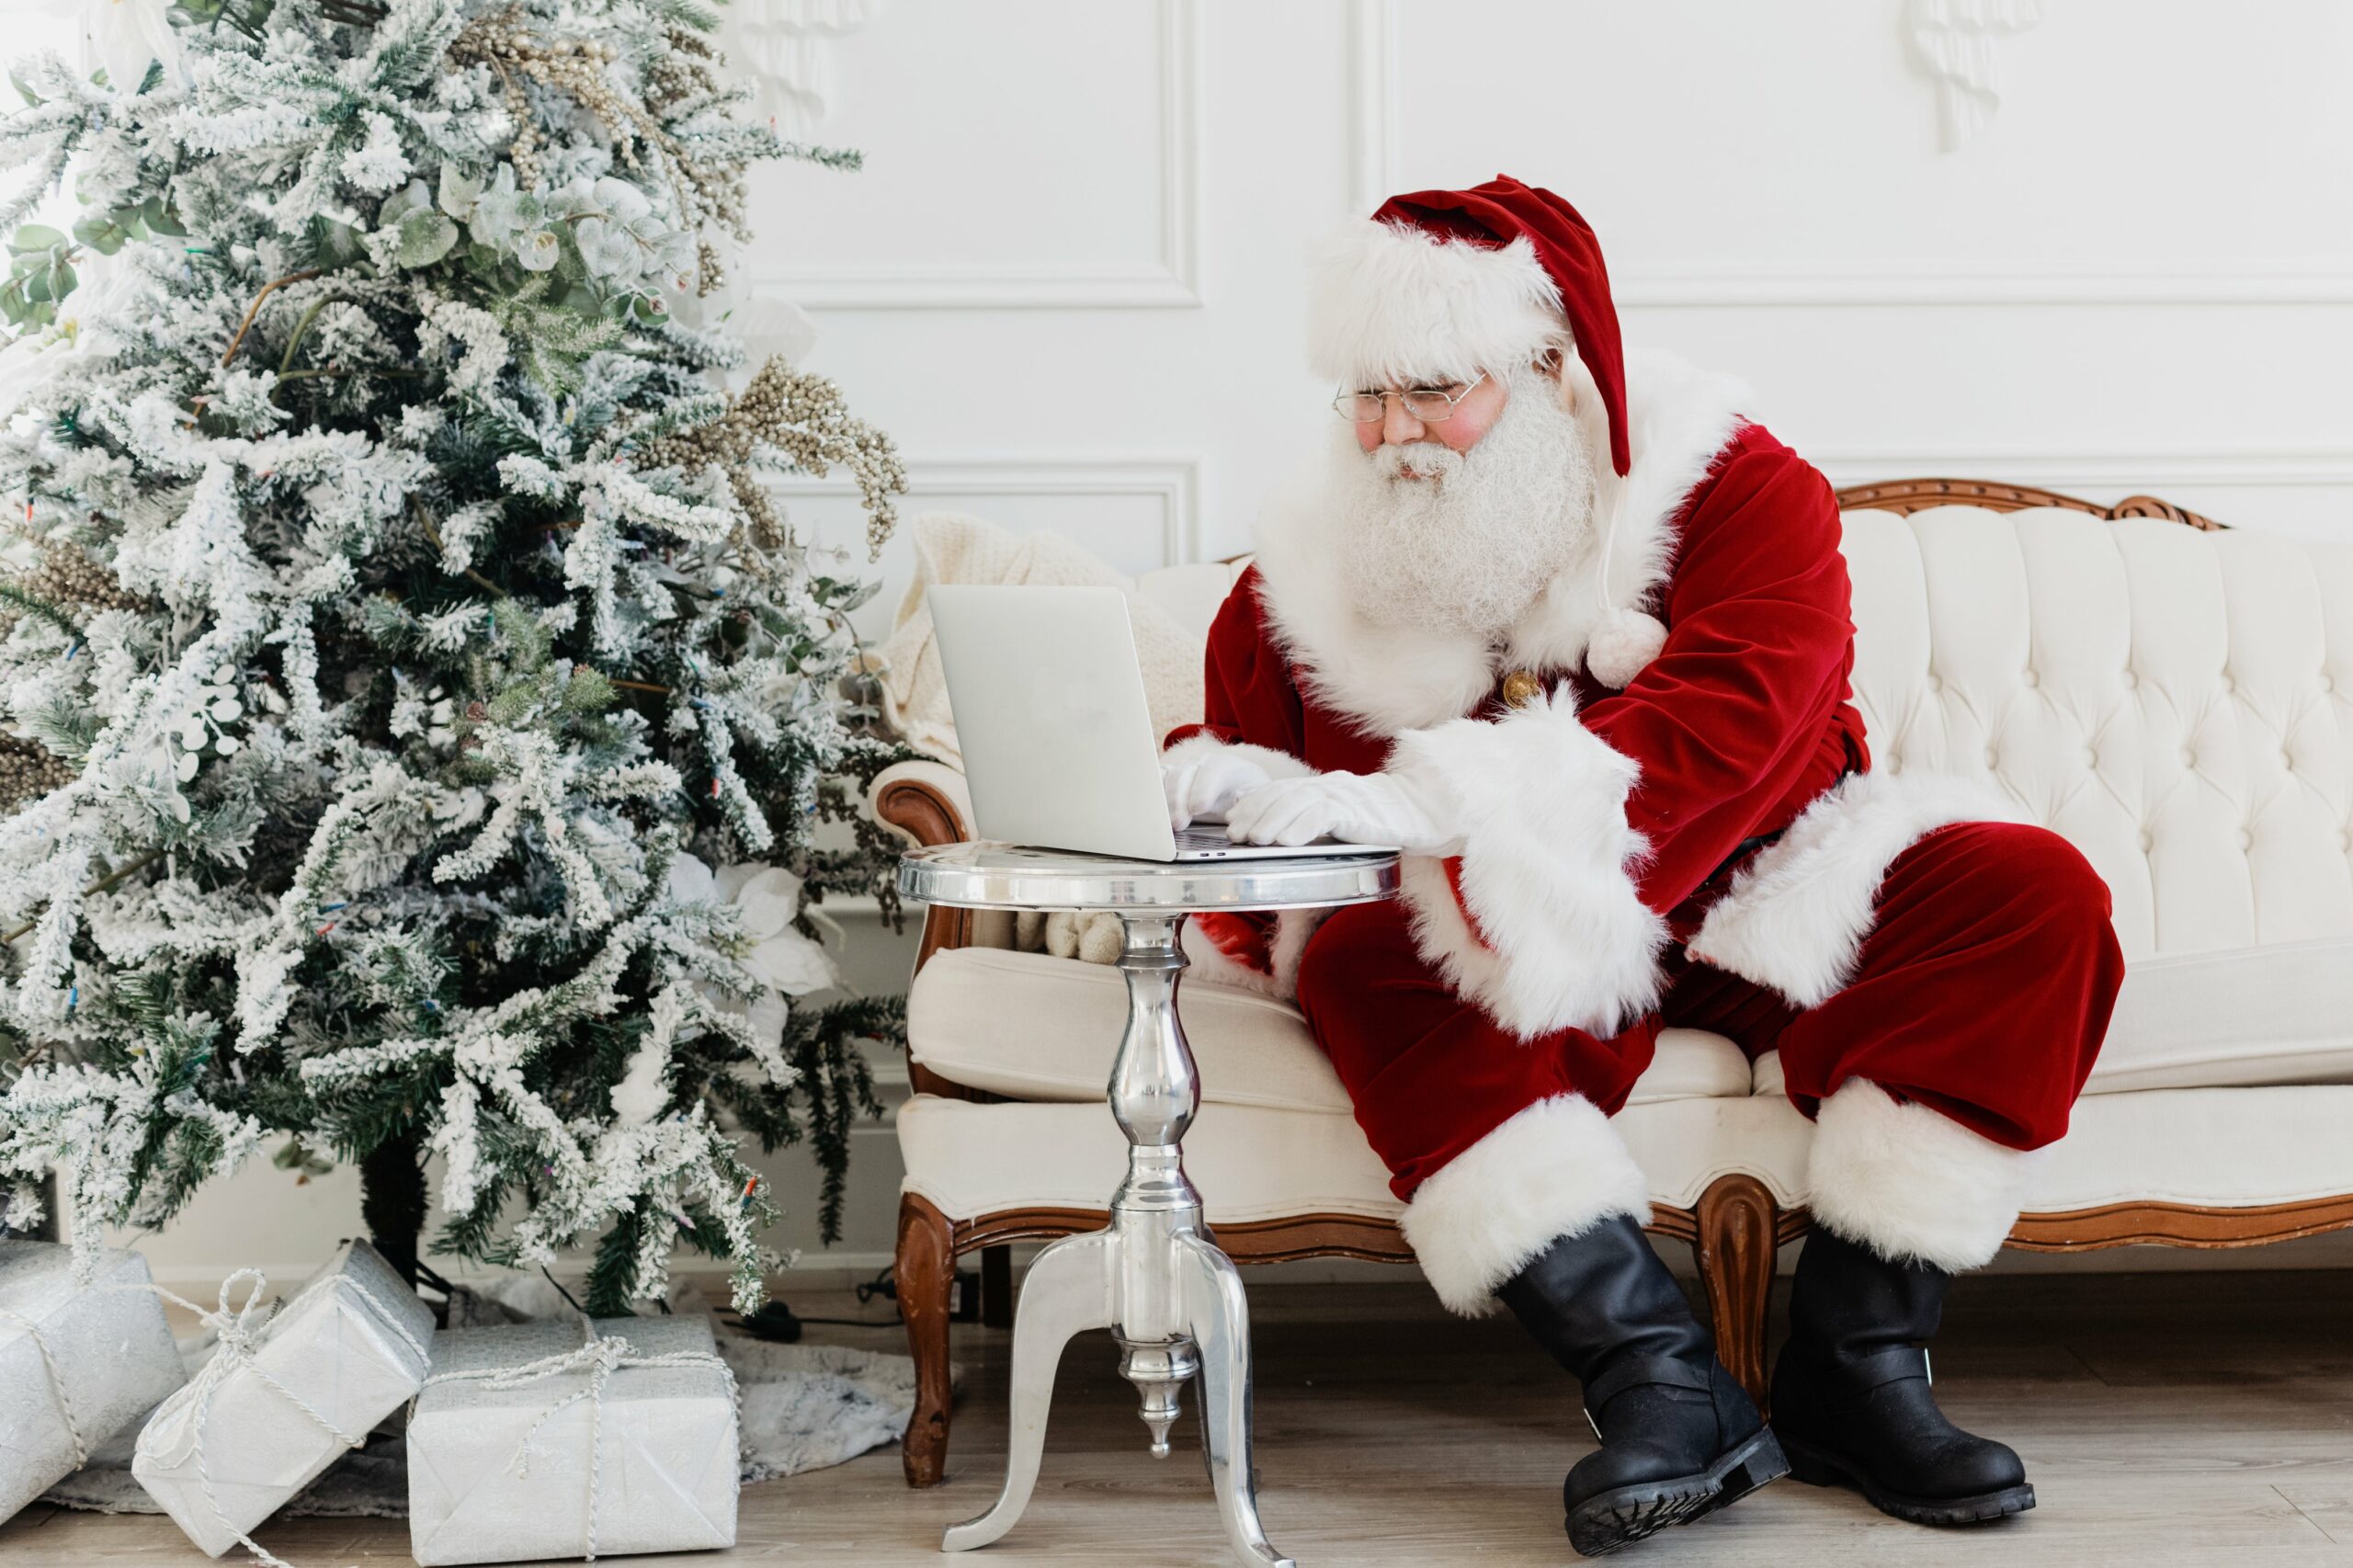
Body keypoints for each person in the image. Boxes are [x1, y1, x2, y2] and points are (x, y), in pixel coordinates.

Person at [1157, 176, 2124, 1556]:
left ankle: (1859, 1366)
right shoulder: (1304, 573)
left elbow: (1736, 717)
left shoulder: (1733, 487)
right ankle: (1662, 1381)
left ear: (1556, 370)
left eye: (1434, 390)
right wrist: (1237, 789)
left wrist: (1457, 792)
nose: (1392, 436)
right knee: (1368, 950)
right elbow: (1253, 765)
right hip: (1497, 950)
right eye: (1365, 399)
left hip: (1757, 887)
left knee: (2032, 897)